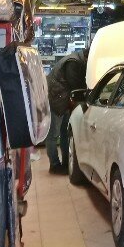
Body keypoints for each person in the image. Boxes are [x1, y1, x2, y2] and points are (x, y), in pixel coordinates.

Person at [45, 46, 89, 174]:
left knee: (64, 132)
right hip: (57, 99)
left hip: (63, 99)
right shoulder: (73, 62)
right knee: (53, 134)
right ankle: (54, 165)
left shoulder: (77, 59)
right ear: (87, 57)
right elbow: (76, 85)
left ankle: (66, 163)